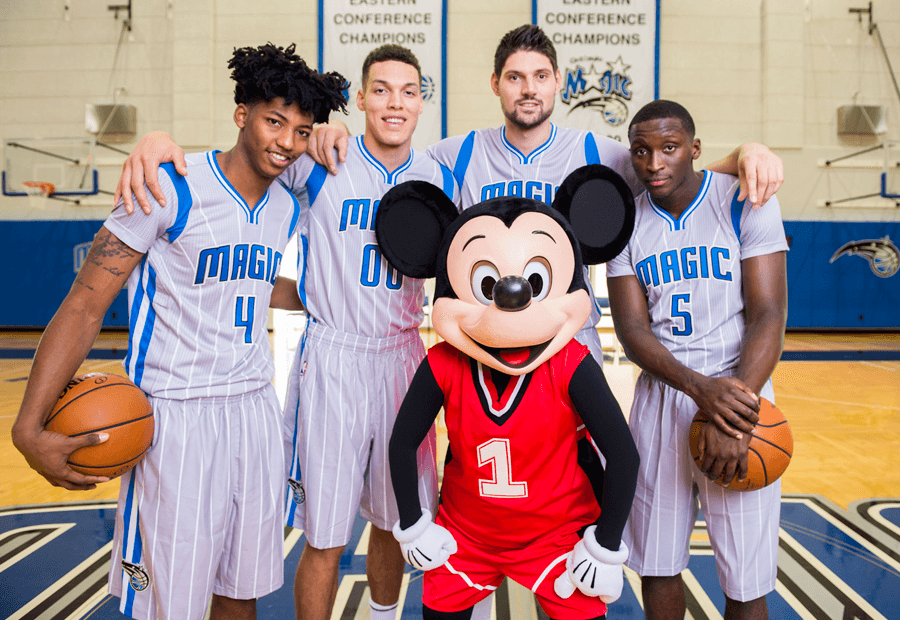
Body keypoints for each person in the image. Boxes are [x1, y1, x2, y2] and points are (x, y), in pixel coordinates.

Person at [11, 43, 347, 620]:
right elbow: (85, 305)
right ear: (241, 114)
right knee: (171, 604)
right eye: (273, 121)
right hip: (175, 419)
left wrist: (321, 303)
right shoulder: (169, 187)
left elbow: (248, 281)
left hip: (253, 414)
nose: (286, 142)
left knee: (241, 591)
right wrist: (27, 425)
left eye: (300, 129)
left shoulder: (285, 204)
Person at [276, 44, 454, 620]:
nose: (393, 103)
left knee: (395, 519)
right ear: (360, 99)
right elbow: (246, 164)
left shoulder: (440, 177)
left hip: (405, 357)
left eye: (407, 91)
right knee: (324, 534)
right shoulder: (321, 164)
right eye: (380, 90)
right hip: (334, 356)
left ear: (422, 101)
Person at [605, 99, 788, 620]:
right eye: (641, 151)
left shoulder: (742, 201)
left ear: (696, 150)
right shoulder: (628, 223)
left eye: (668, 148)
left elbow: (769, 316)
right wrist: (698, 390)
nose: (654, 163)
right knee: (658, 566)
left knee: (745, 578)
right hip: (664, 394)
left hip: (742, 390)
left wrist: (734, 410)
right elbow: (632, 330)